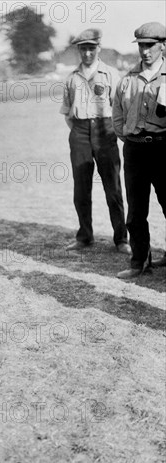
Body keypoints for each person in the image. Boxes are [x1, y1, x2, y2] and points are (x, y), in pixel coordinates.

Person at [60, 28, 131, 254]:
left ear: (98, 48)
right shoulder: (71, 78)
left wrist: (104, 130)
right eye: (83, 49)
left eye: (91, 48)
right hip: (79, 131)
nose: (87, 53)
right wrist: (82, 130)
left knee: (113, 187)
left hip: (105, 130)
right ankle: (85, 236)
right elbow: (68, 113)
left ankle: (121, 238)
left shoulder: (110, 74)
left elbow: (120, 109)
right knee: (81, 188)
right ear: (78, 50)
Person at [113, 22, 166, 279]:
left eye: (151, 45)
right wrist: (133, 140)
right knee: (135, 211)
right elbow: (117, 119)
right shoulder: (127, 80)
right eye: (142, 46)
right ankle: (139, 261)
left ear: (163, 46)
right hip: (134, 150)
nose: (145, 51)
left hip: (164, 149)